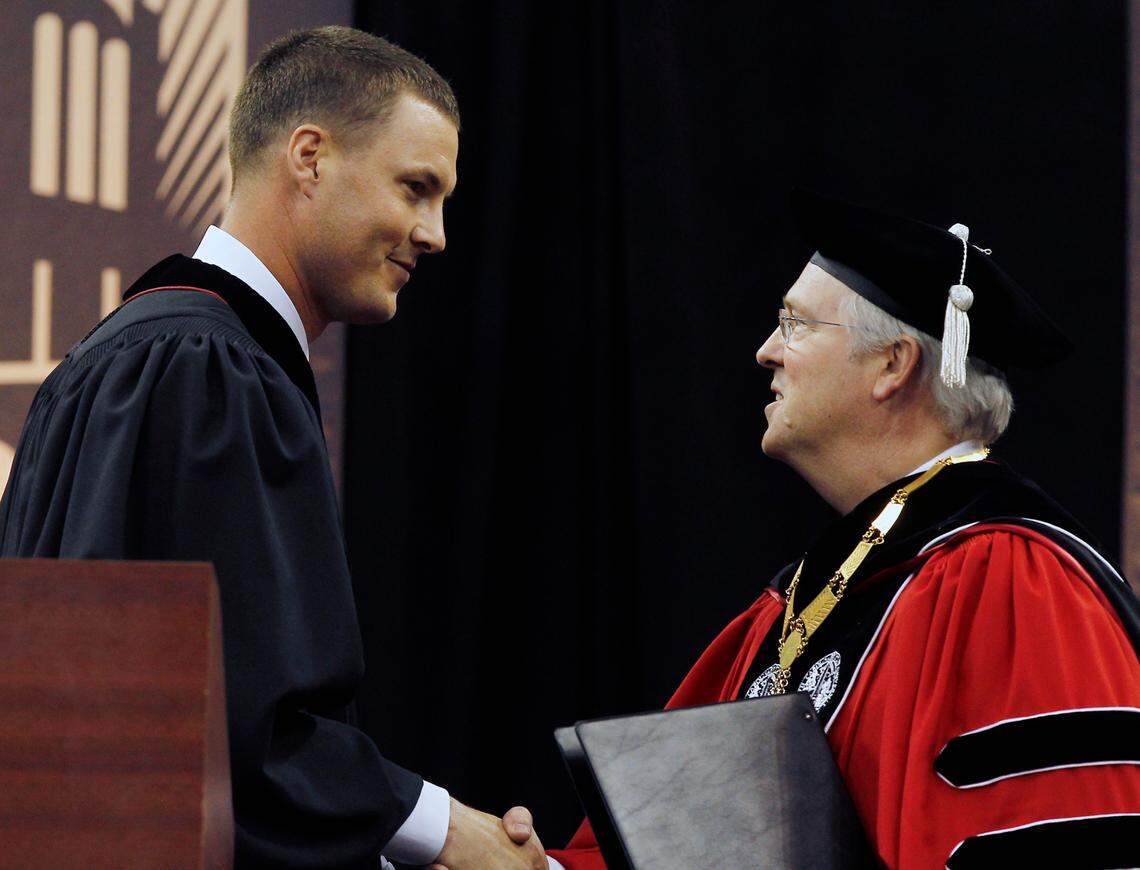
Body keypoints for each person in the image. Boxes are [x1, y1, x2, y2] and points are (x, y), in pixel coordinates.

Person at [0, 26, 550, 870]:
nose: (434, 233)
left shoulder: (108, 360)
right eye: (415, 187)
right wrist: (446, 832)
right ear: (309, 156)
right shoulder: (209, 371)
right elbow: (234, 735)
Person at [547, 190, 1140, 869]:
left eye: (795, 324)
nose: (766, 351)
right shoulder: (815, 593)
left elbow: (1058, 837)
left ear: (892, 364)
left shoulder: (1014, 580)